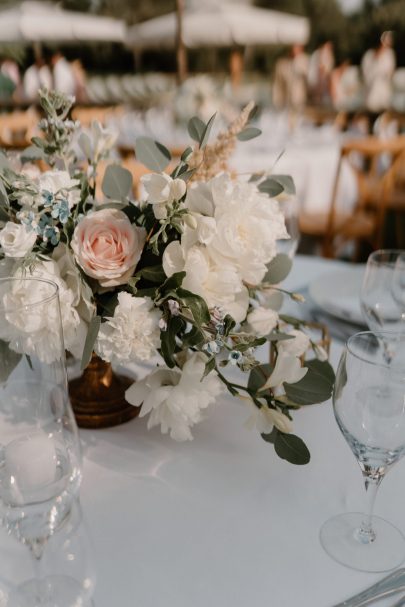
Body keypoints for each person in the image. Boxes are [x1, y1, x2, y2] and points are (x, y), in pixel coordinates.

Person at [361, 31, 396, 113]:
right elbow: (365, 73)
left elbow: (390, 72)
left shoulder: (390, 54)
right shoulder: (368, 55)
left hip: (384, 91)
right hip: (371, 92)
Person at [308, 41, 335, 106]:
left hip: (320, 83)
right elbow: (321, 70)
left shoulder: (324, 54)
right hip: (319, 83)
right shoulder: (319, 54)